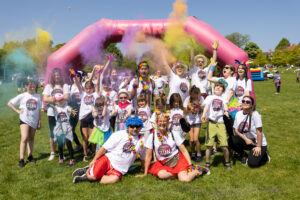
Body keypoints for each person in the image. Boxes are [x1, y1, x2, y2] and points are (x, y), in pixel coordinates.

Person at [72, 115, 145, 184]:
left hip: (120, 169)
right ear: (128, 126)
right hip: (108, 160)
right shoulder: (120, 134)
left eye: (137, 126)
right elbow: (104, 148)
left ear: (140, 127)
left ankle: (89, 174)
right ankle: (89, 172)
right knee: (93, 177)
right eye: (132, 126)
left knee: (114, 179)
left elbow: (143, 157)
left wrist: (143, 169)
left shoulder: (142, 140)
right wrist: (94, 160)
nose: (135, 128)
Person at [136, 113, 203, 182]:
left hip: (177, 161)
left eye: (164, 121)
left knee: (185, 180)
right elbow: (148, 156)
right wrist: (145, 173)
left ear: (168, 123)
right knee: (162, 175)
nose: (162, 123)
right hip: (162, 164)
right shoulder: (152, 136)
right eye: (160, 121)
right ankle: (178, 174)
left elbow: (184, 150)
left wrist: (190, 164)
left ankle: (196, 171)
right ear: (157, 123)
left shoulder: (173, 133)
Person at [8, 79, 41, 167]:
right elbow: (10, 103)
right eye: (29, 85)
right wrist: (17, 111)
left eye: (33, 85)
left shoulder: (37, 96)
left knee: (31, 138)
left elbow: (38, 110)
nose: (31, 87)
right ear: (26, 86)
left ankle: (30, 156)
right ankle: (21, 159)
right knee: (24, 138)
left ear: (35, 86)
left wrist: (39, 121)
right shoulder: (22, 95)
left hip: (34, 120)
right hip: (24, 119)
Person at [232, 96, 270, 167]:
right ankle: (244, 155)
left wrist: (258, 146)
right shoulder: (238, 114)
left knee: (252, 164)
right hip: (248, 141)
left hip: (258, 143)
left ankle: (265, 155)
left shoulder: (255, 115)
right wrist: (245, 139)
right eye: (243, 101)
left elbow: (259, 132)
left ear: (251, 105)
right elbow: (235, 130)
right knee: (231, 140)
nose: (245, 103)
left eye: (248, 102)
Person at [201, 81, 232, 170]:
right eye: (216, 86)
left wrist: (226, 112)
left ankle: (227, 163)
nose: (218, 87)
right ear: (213, 89)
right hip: (211, 123)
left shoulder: (223, 98)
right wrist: (204, 115)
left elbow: (225, 105)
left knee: (224, 146)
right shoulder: (210, 97)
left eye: (220, 87)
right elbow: (206, 106)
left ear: (223, 90)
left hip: (220, 123)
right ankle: (207, 163)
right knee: (209, 145)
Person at [43, 68, 70, 161]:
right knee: (52, 134)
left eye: (58, 75)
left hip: (62, 113)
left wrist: (54, 99)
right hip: (51, 113)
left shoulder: (65, 85)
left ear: (61, 75)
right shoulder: (49, 86)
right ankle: (53, 152)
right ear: (52, 76)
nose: (57, 76)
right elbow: (45, 98)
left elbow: (66, 97)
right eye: (55, 75)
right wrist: (58, 99)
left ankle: (61, 154)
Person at [75, 65, 100, 162]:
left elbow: (97, 84)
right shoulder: (83, 93)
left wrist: (96, 72)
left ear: (93, 88)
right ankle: (85, 154)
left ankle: (93, 151)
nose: (88, 90)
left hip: (92, 117)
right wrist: (74, 77)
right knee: (85, 138)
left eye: (90, 88)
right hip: (83, 118)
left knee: (92, 137)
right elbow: (77, 84)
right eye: (87, 88)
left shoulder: (95, 94)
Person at [51, 93, 76, 166]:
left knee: (68, 143)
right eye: (59, 100)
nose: (61, 101)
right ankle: (61, 158)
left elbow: (69, 109)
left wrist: (72, 111)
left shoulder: (66, 107)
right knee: (60, 144)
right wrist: (51, 105)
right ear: (56, 102)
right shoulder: (56, 108)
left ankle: (72, 159)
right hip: (59, 127)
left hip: (66, 127)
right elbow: (54, 108)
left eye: (62, 99)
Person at [183, 86, 205, 162]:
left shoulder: (201, 99)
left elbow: (203, 110)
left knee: (196, 139)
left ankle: (199, 154)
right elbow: (185, 112)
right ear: (191, 94)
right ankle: (192, 153)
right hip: (189, 121)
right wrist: (189, 108)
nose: (195, 96)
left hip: (197, 121)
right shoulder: (187, 99)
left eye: (197, 94)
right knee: (191, 140)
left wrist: (198, 106)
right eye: (194, 94)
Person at [69, 70, 83, 152]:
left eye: (78, 76)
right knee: (70, 129)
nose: (76, 77)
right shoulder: (70, 87)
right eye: (74, 76)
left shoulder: (83, 86)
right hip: (73, 110)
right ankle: (78, 144)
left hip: (82, 109)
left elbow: (79, 87)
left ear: (80, 78)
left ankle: (87, 146)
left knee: (83, 130)